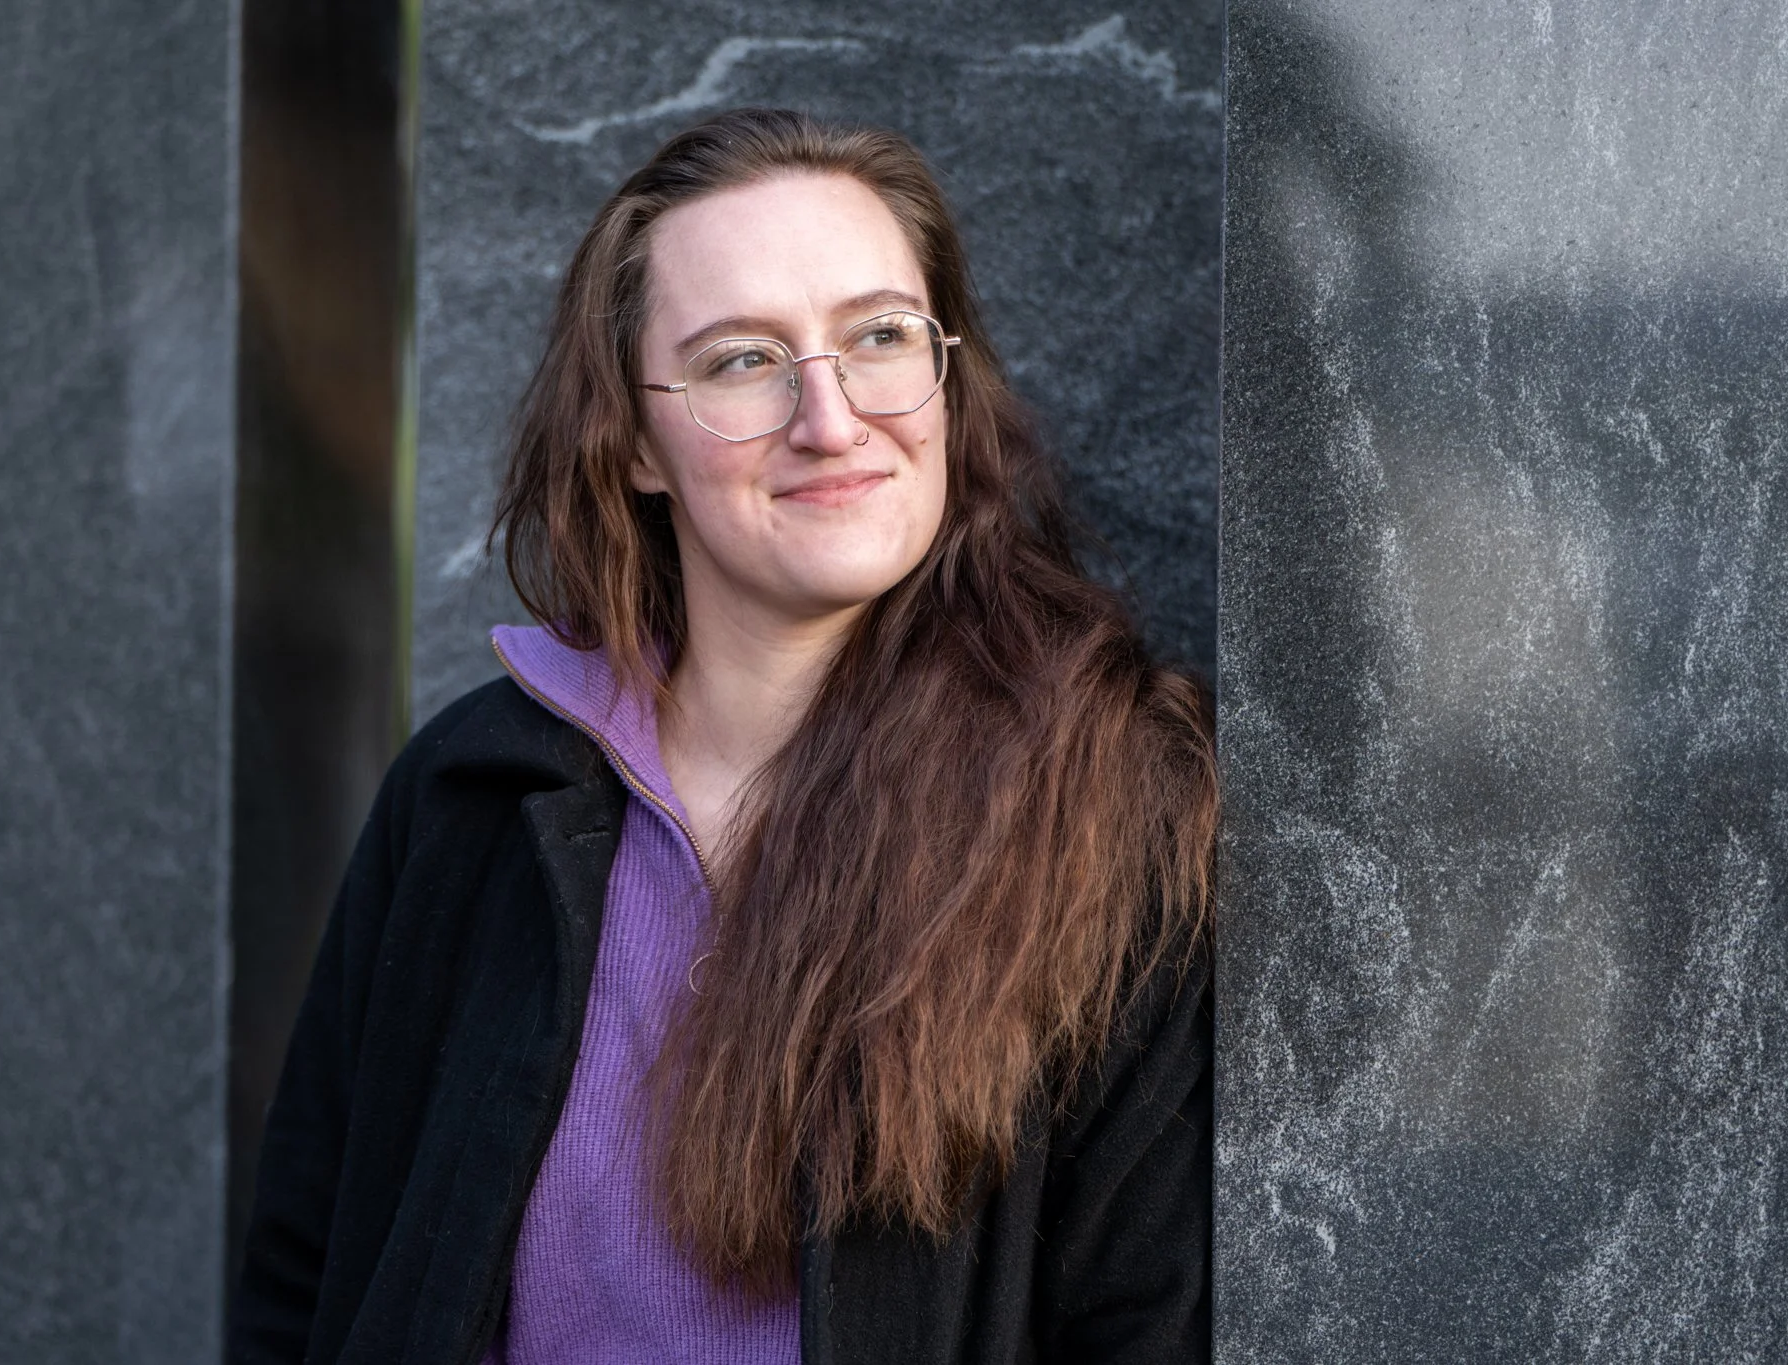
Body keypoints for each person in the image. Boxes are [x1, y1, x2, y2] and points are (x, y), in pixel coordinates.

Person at [230, 107, 1218, 1365]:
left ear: (944, 373)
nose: (830, 416)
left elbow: (1147, 1322)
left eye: (878, 337)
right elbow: (312, 1273)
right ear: (636, 443)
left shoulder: (1109, 805)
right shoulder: (474, 793)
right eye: (743, 361)